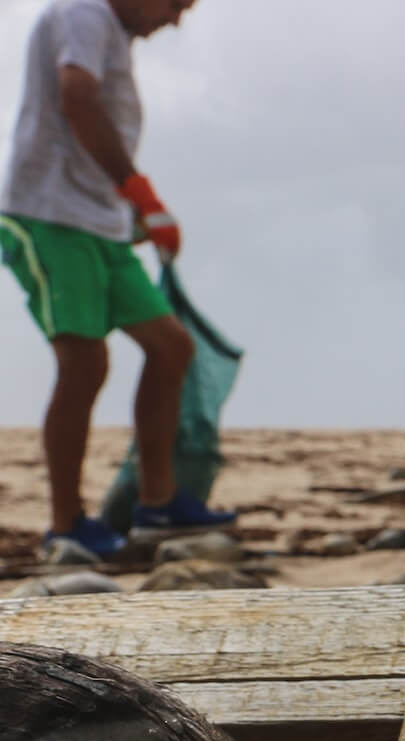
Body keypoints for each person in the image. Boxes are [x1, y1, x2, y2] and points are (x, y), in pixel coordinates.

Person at [1, 0, 234, 560]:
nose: (176, 19)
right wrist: (140, 191)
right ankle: (66, 526)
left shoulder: (111, 32)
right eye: (176, 3)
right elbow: (76, 99)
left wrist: (128, 213)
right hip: (48, 214)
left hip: (98, 220)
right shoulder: (84, 12)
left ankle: (158, 504)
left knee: (171, 346)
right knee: (84, 362)